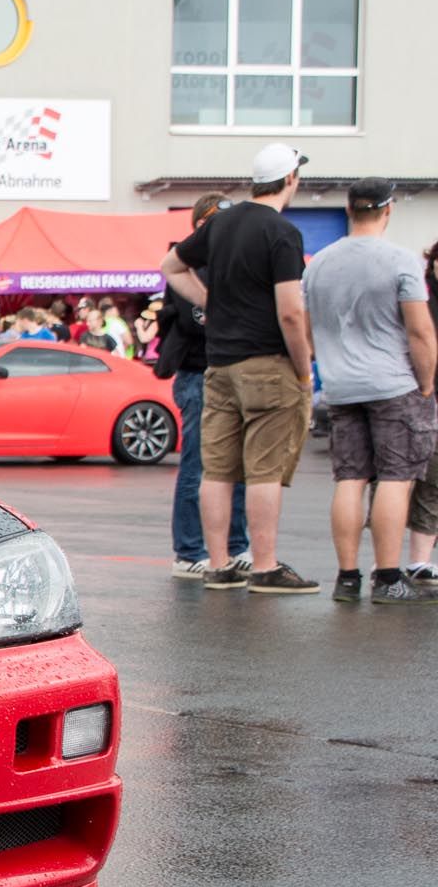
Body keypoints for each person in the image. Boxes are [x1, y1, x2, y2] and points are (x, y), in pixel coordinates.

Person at [160, 142, 316, 595]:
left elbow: (171, 265)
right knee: (265, 469)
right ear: (290, 179)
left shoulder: (221, 224)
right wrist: (303, 369)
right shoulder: (282, 232)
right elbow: (290, 312)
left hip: (219, 364)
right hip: (267, 363)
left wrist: (210, 302)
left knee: (217, 469)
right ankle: (263, 566)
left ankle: (218, 565)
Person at [304, 182, 438, 604]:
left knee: (350, 478)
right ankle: (388, 578)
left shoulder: (318, 264)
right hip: (393, 384)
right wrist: (426, 383)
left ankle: (347, 578)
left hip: (342, 386)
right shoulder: (400, 260)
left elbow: (307, 329)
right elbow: (420, 331)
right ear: (388, 210)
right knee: (397, 479)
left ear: (349, 209)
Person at [154, 194, 250, 579]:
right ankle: (190, 550)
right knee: (197, 465)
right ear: (199, 225)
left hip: (230, 371)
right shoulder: (186, 265)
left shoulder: (230, 262)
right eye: (216, 222)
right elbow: (196, 319)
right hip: (198, 374)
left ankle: (236, 546)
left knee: (236, 466)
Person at [407, 239, 438, 590]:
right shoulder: (418, 294)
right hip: (415, 395)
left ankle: (420, 560)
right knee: (404, 480)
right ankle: (393, 562)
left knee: (432, 483)